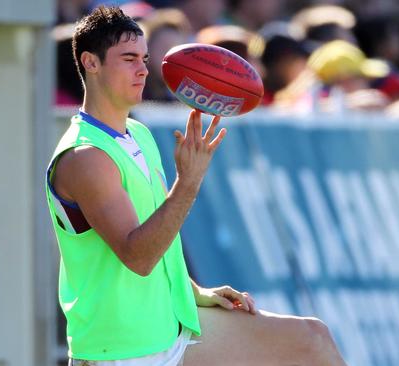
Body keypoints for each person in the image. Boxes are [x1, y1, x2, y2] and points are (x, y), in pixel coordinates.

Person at [46, 6, 348, 365]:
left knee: (312, 339)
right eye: (128, 59)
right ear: (90, 63)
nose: (143, 69)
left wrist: (194, 292)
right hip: (123, 351)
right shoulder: (86, 157)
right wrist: (188, 184)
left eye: (144, 58)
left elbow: (157, 246)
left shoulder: (137, 133)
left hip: (168, 327)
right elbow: (138, 257)